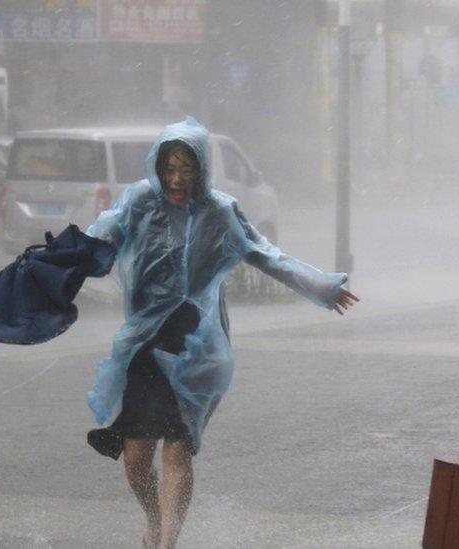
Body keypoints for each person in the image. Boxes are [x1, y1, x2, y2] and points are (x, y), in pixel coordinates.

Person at [84, 117, 359, 549]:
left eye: (186, 170)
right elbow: (96, 240)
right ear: (157, 167)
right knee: (137, 456)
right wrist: (46, 272)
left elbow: (267, 255)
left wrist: (322, 286)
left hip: (195, 345)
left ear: (202, 170)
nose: (176, 180)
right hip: (144, 341)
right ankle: (154, 520)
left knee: (177, 447)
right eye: (169, 169)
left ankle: (168, 543)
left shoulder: (220, 211)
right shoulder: (140, 201)